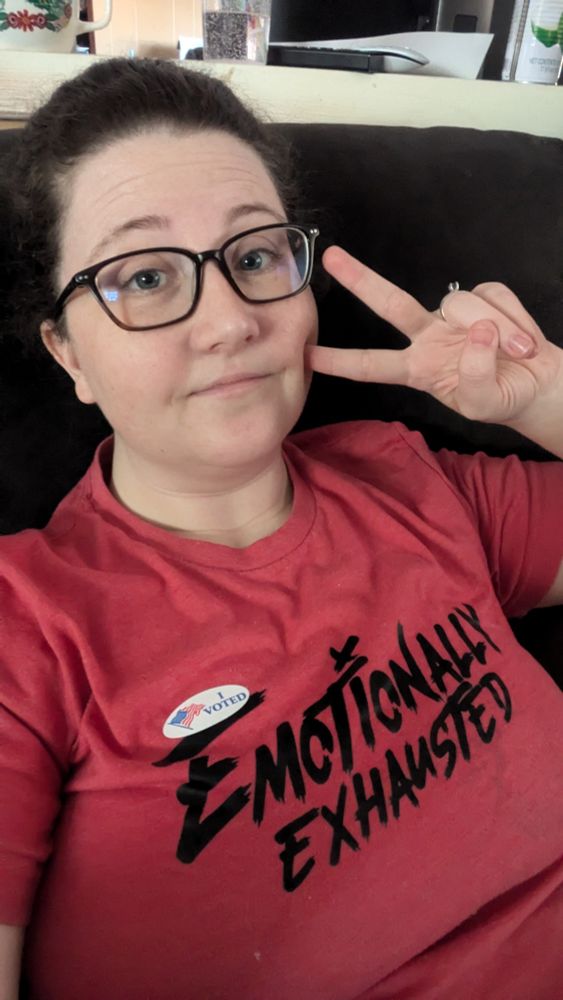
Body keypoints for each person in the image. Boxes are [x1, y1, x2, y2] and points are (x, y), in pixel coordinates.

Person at [0, 57, 562, 1000]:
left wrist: (549, 402)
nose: (229, 322)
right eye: (145, 275)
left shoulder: (409, 478)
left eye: (256, 257)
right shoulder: (24, 627)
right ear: (68, 354)